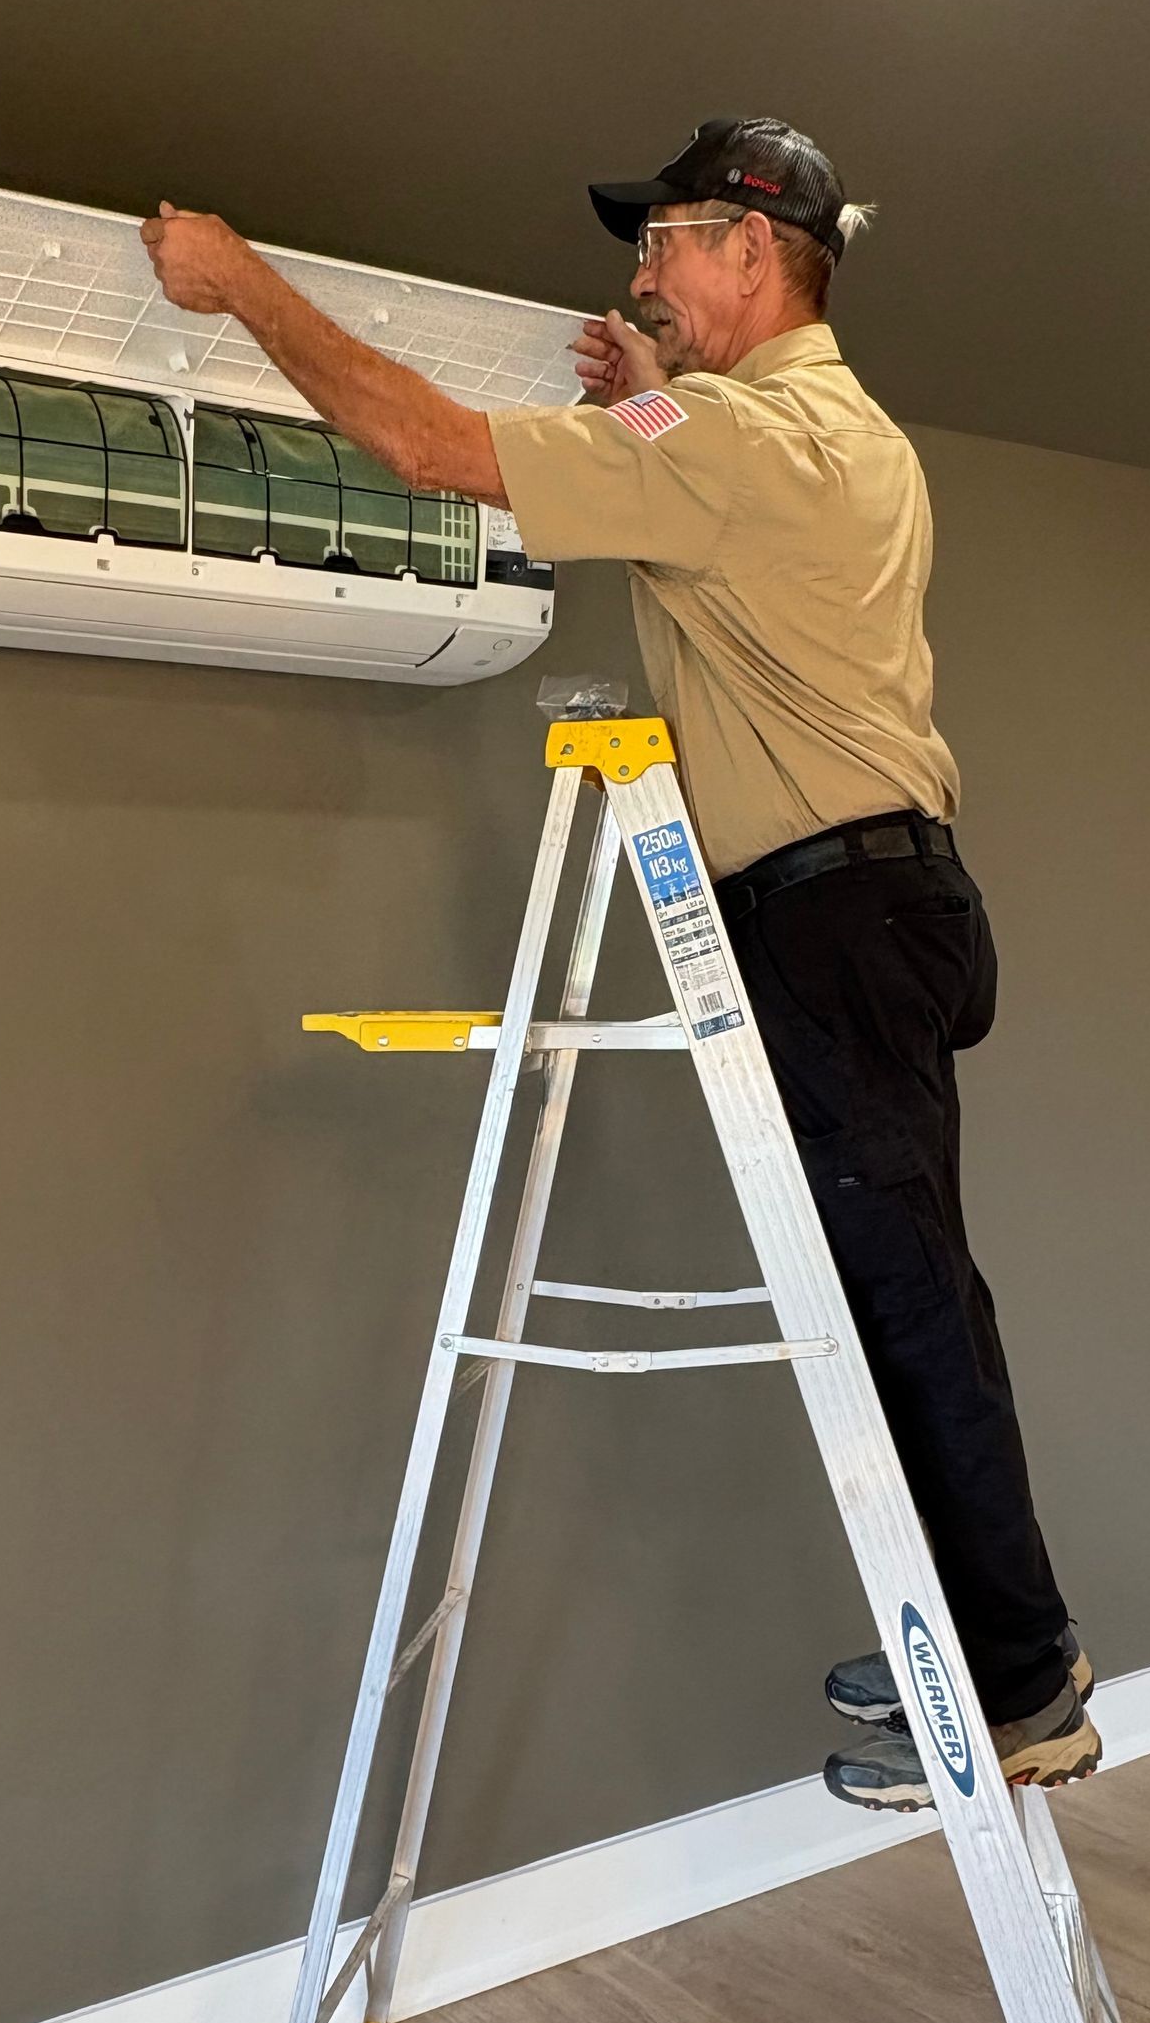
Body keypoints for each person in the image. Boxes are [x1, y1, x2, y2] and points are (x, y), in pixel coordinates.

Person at [142, 115, 1097, 1812]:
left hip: (826, 909)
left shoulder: (734, 439)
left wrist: (241, 293)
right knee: (923, 1291)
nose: (637, 277)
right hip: (893, 900)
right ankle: (988, 1637)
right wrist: (639, 383)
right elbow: (688, 460)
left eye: (661, 247)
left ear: (749, 246)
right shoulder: (841, 432)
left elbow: (432, 448)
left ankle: (1020, 1685)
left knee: (904, 1305)